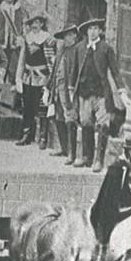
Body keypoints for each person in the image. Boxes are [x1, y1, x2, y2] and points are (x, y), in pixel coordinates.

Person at [70, 18, 126, 172]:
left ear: (100, 31)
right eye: (90, 29)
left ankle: (98, 160)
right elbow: (74, 71)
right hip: (84, 92)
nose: (93, 31)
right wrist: (71, 89)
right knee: (86, 122)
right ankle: (87, 157)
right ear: (86, 31)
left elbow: (115, 71)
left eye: (96, 28)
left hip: (101, 93)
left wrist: (121, 89)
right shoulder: (79, 48)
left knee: (102, 125)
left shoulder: (106, 48)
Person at [89, 135, 131, 250]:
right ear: (127, 151)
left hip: (119, 205)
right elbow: (120, 195)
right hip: (110, 210)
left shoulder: (127, 166)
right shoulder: (120, 167)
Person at [15, 12, 55, 147]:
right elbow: (22, 59)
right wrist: (19, 78)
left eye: (37, 22)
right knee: (27, 106)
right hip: (28, 78)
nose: (34, 25)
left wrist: (50, 81)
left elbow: (51, 60)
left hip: (42, 77)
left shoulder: (47, 39)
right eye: (32, 23)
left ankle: (43, 138)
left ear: (42, 24)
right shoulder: (27, 38)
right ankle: (27, 135)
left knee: (42, 107)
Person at [46, 24, 79, 163]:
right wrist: (49, 86)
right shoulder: (61, 50)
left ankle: (72, 153)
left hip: (68, 89)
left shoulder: (76, 51)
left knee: (69, 118)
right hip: (57, 88)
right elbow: (54, 70)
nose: (67, 38)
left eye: (70, 35)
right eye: (65, 35)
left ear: (75, 36)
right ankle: (63, 148)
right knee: (58, 117)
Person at [0, 0, 27, 105]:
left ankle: (13, 102)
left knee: (14, 73)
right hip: (1, 46)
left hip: (14, 48)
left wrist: (21, 39)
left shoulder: (20, 11)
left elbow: (24, 28)